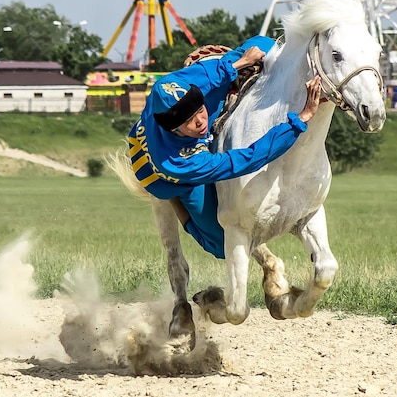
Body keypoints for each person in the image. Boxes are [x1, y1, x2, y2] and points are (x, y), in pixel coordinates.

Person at [128, 35, 322, 259]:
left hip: (173, 128)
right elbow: (246, 159)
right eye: (190, 121)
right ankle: (179, 205)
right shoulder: (181, 162)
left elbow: (205, 76)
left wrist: (240, 63)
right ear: (175, 130)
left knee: (264, 46)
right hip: (163, 178)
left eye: (200, 111)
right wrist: (300, 120)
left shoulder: (167, 87)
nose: (200, 121)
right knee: (222, 245)